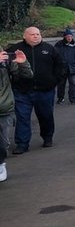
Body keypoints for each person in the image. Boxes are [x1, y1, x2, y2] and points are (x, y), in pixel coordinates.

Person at [6, 27, 64, 153]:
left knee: (46, 116)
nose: (36, 36)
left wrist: (54, 81)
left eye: (38, 34)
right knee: (22, 118)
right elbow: (5, 66)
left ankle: (47, 137)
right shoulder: (15, 49)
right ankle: (22, 143)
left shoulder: (49, 49)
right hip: (22, 91)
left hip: (45, 91)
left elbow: (60, 65)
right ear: (25, 36)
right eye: (32, 34)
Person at [0, 48, 32, 181]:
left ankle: (1, 164)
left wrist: (23, 63)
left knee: (2, 142)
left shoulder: (5, 62)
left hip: (3, 107)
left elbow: (26, 76)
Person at [54, 28, 75, 104]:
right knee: (61, 84)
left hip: (72, 68)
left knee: (73, 84)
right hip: (62, 68)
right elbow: (55, 55)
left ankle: (72, 99)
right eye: (68, 36)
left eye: (70, 36)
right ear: (64, 37)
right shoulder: (59, 44)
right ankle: (60, 98)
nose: (69, 38)